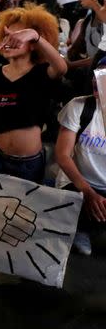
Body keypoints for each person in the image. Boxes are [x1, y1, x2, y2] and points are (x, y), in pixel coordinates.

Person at [0, 5, 66, 183]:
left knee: (22, 209)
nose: (10, 40)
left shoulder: (42, 73)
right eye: (7, 35)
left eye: (18, 37)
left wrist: (34, 35)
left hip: (29, 164)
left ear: (32, 45)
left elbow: (62, 68)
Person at [55, 62, 106, 255]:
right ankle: (79, 228)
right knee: (81, 205)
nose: (97, 80)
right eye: (97, 75)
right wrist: (88, 192)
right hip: (77, 182)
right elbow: (62, 155)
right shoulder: (79, 106)